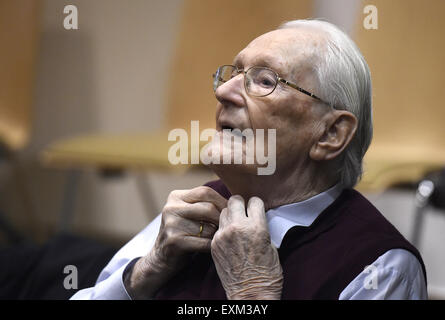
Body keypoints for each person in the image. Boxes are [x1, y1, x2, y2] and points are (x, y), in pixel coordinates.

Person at [71, 19, 427, 300]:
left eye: (265, 80)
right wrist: (147, 270)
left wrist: (252, 294)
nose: (224, 92)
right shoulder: (198, 207)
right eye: (233, 74)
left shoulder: (378, 266)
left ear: (330, 134)